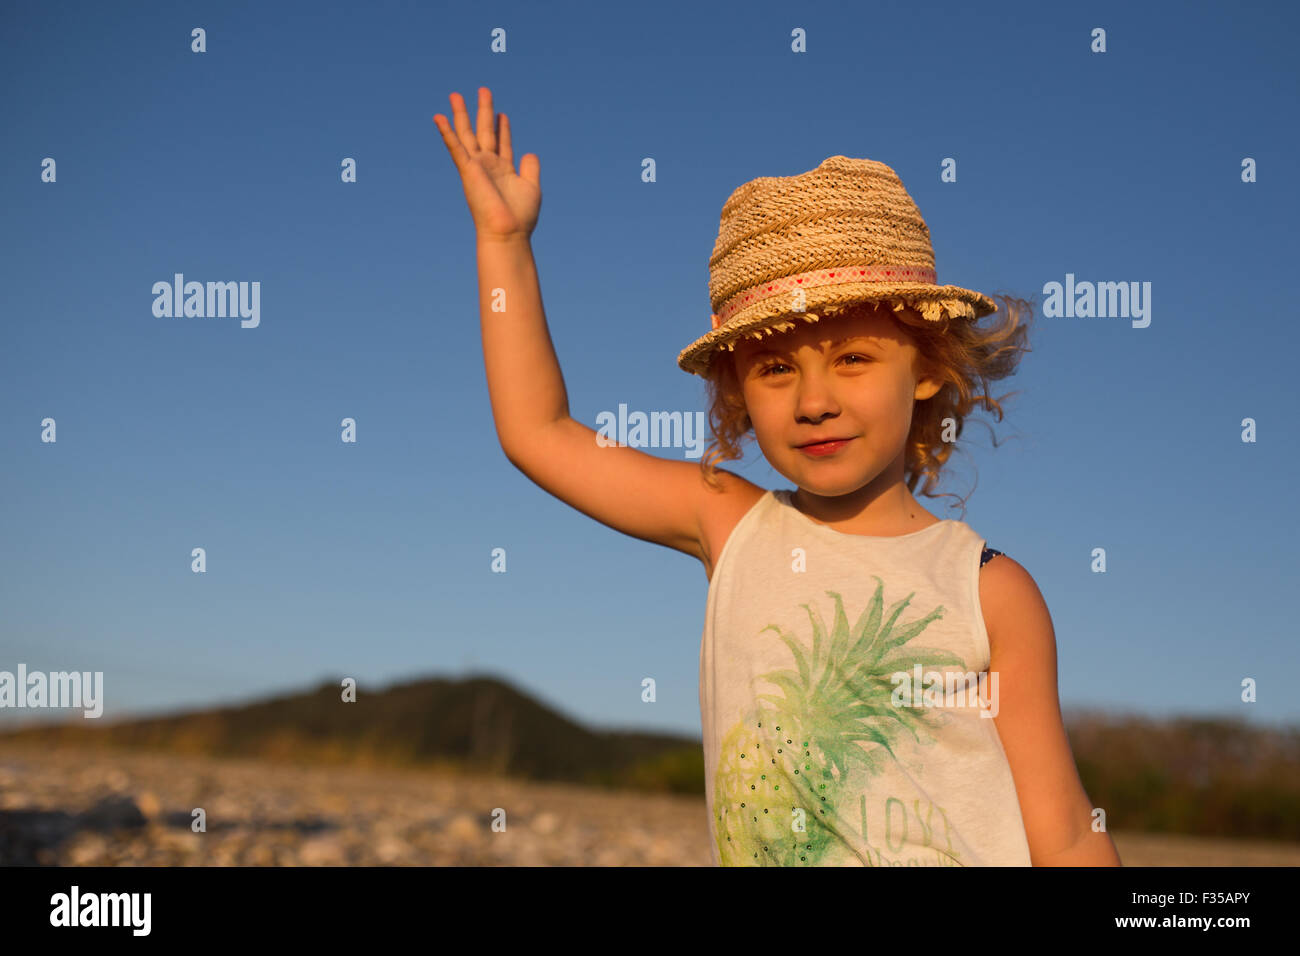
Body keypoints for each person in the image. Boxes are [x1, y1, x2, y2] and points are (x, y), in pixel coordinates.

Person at [433, 86, 1121, 867]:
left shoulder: (992, 590)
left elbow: (1062, 828)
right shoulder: (729, 520)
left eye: (854, 358)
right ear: (736, 391)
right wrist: (503, 242)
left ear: (928, 367)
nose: (815, 401)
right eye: (774, 368)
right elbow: (539, 434)